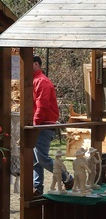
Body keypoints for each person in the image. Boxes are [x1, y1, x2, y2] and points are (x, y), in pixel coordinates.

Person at [31, 54, 73, 195]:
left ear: (36, 64)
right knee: (36, 159)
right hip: (38, 124)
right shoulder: (34, 80)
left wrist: (35, 124)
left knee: (42, 158)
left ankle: (67, 177)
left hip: (43, 125)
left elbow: (41, 107)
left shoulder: (42, 82)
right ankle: (37, 187)